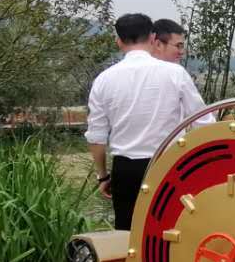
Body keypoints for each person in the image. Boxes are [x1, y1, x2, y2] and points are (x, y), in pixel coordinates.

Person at [86, 12, 211, 230]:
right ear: (153, 38)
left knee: (128, 235)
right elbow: (203, 121)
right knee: (172, 232)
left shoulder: (103, 80)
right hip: (169, 164)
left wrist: (103, 176)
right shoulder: (175, 73)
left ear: (118, 41)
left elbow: (96, 136)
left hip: (125, 169)